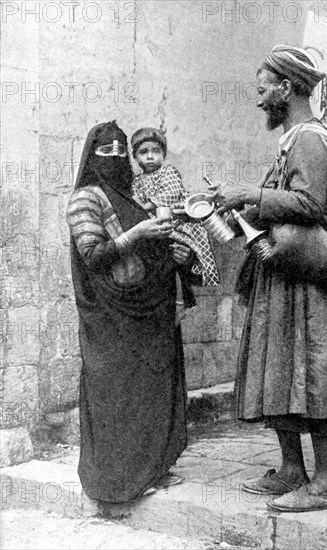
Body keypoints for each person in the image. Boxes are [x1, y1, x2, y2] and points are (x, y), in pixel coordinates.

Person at [212, 45, 327, 512]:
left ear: (287, 88)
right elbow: (282, 200)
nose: (259, 100)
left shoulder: (310, 139)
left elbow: (309, 205)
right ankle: (293, 469)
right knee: (277, 368)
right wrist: (239, 205)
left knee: (311, 370)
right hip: (279, 272)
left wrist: (250, 192)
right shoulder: (291, 139)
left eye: (263, 89)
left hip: (303, 277)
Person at [66, 121, 194, 503]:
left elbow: (151, 252)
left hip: (148, 309)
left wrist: (177, 257)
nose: (117, 158)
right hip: (110, 316)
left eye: (122, 151)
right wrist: (139, 234)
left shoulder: (135, 194)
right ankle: (119, 482)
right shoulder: (85, 198)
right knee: (119, 393)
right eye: (107, 152)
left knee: (152, 389)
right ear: (93, 156)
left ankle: (153, 466)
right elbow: (93, 255)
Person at [131, 126, 220, 291]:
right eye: (143, 152)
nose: (150, 156)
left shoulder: (168, 172)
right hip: (153, 226)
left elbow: (170, 195)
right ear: (135, 158)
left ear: (163, 154)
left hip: (175, 220)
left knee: (186, 254)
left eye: (156, 151)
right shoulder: (136, 181)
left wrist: (146, 205)